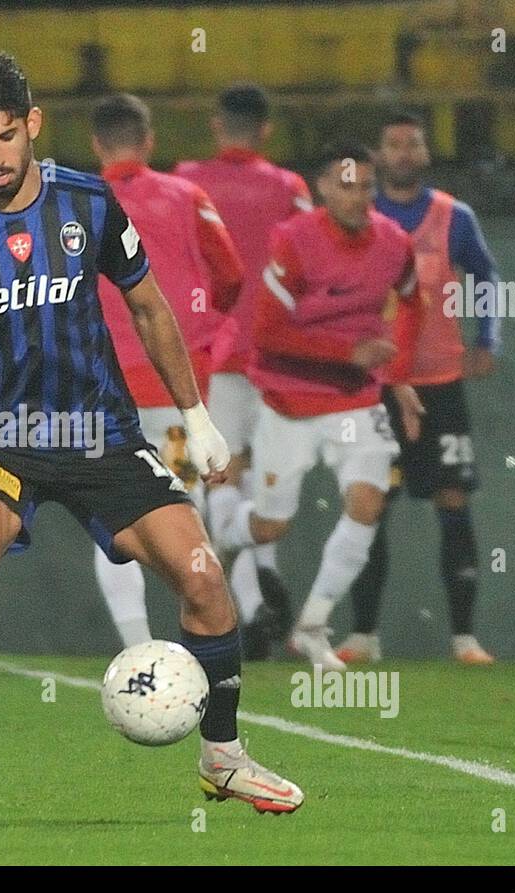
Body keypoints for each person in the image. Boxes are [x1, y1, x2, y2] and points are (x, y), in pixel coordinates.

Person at [0, 51, 303, 824]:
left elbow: (149, 307)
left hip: (101, 435)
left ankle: (223, 759)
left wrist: (197, 418)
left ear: (33, 123)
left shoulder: (90, 204)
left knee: (206, 579)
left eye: (8, 137)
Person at [207, 142, 424, 673]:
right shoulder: (296, 243)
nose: (358, 197)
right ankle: (221, 539)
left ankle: (312, 625)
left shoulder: (394, 244)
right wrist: (347, 351)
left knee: (369, 502)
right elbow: (268, 332)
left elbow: (415, 303)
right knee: (271, 527)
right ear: (323, 188)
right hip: (290, 400)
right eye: (346, 186)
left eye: (366, 187)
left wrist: (396, 375)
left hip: (354, 402)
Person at [339, 112, 501, 666]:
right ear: (379, 156)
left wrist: (488, 339)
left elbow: (486, 274)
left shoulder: (453, 216)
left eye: (413, 143)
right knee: (370, 501)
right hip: (377, 386)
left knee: (453, 499)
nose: (404, 152)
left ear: (425, 154)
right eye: (393, 143)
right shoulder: (358, 214)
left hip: (440, 383)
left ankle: (464, 637)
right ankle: (363, 634)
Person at [89, 92, 243, 648]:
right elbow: (230, 277)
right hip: (178, 391)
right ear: (149, 141)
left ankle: (138, 650)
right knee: (185, 513)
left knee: (113, 520)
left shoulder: (77, 204)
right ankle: (194, 644)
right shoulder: (187, 196)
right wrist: (203, 334)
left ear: (96, 145)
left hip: (104, 392)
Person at [175, 83, 312, 657]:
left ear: (215, 124)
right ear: (266, 130)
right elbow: (313, 259)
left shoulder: (185, 181)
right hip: (280, 355)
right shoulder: (289, 188)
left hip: (216, 350)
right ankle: (260, 595)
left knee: (218, 475)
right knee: (265, 475)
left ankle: (249, 601)